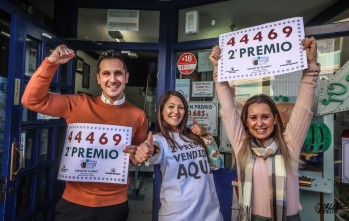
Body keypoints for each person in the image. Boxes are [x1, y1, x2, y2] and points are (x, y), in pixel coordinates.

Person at [21, 45, 147, 221]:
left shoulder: (138, 115)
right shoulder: (77, 104)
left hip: (115, 205)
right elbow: (31, 100)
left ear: (126, 77)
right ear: (98, 78)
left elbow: (137, 155)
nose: (112, 79)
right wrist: (51, 63)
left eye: (118, 73)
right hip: (73, 204)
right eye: (106, 74)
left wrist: (141, 154)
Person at [209, 37, 320, 221]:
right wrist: (217, 69)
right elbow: (228, 109)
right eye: (253, 118)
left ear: (275, 119)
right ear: (246, 121)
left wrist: (310, 66)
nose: (259, 123)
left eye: (265, 117)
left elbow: (303, 108)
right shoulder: (241, 145)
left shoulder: (289, 143)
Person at [131, 90, 223, 221]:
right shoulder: (160, 139)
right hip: (178, 215)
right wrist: (147, 150)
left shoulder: (194, 136)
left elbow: (216, 164)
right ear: (161, 111)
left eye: (181, 107)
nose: (176, 111)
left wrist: (206, 136)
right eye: (171, 106)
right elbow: (154, 149)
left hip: (209, 212)